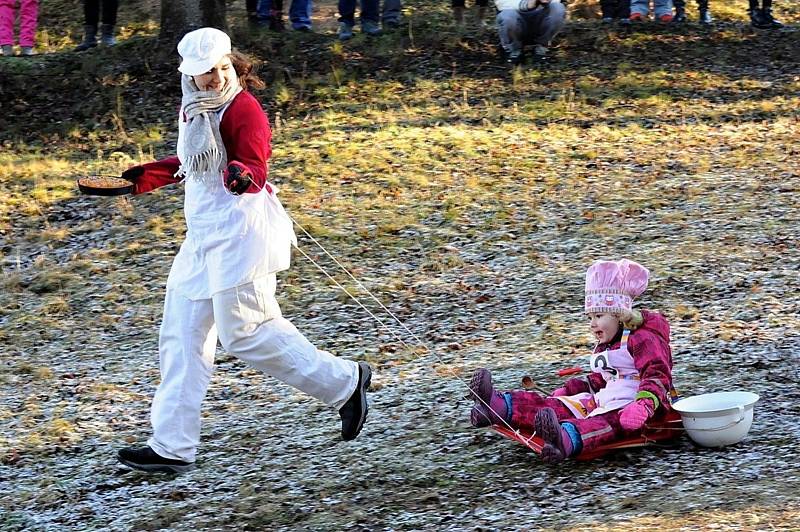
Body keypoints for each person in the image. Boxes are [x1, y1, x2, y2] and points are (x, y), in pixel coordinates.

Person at [115, 28, 372, 473]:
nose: (212, 79)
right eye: (203, 74)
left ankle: (345, 383)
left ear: (230, 64)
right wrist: (144, 177)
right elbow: (194, 162)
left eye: (219, 69)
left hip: (241, 233)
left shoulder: (244, 107)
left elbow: (252, 163)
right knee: (181, 336)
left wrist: (241, 175)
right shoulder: (192, 107)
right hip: (202, 237)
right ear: (188, 76)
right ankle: (171, 446)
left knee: (246, 333)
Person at [467, 259, 674, 463]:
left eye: (599, 315)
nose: (592, 324)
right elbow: (601, 378)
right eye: (589, 318)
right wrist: (569, 390)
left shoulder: (644, 339)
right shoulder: (608, 343)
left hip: (636, 411)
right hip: (604, 399)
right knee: (560, 405)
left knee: (604, 423)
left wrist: (644, 404)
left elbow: (657, 374)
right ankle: (497, 406)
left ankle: (565, 439)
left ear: (619, 315)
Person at [494, 0, 567, 65]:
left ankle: (541, 49)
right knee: (507, 16)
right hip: (515, 20)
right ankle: (514, 51)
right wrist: (528, 4)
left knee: (558, 8)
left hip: (541, 18)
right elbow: (501, 4)